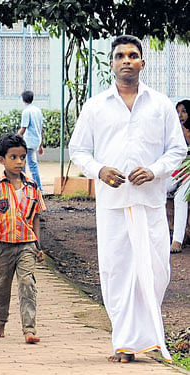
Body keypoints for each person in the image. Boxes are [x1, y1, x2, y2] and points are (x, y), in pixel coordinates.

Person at [69, 35, 187, 363]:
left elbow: (177, 149)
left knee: (156, 269)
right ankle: (124, 342)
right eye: (120, 55)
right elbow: (77, 149)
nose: (126, 61)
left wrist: (154, 170)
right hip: (113, 203)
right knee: (117, 271)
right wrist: (99, 169)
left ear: (142, 63)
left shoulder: (161, 104)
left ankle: (149, 339)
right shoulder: (96, 106)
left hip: (149, 202)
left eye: (133, 55)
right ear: (111, 64)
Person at [0, 133, 45, 344]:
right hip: (3, 245)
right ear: (2, 159)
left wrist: (38, 245)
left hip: (27, 245)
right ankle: (0, 321)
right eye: (13, 157)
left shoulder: (32, 187)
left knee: (27, 282)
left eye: (22, 157)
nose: (19, 162)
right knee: (2, 285)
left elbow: (36, 216)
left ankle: (29, 328)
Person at [167, 99, 190, 254]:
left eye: (184, 111)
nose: (180, 115)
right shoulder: (174, 133)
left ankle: (177, 241)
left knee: (181, 197)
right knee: (160, 189)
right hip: (178, 172)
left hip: (189, 176)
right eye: (178, 111)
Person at [18, 90, 44, 192]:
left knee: (24, 165)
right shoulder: (38, 110)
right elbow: (42, 128)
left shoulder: (26, 111)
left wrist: (14, 137)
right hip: (36, 141)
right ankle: (39, 189)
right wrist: (41, 145)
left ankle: (25, 188)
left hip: (28, 142)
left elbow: (23, 128)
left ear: (23, 99)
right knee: (32, 165)